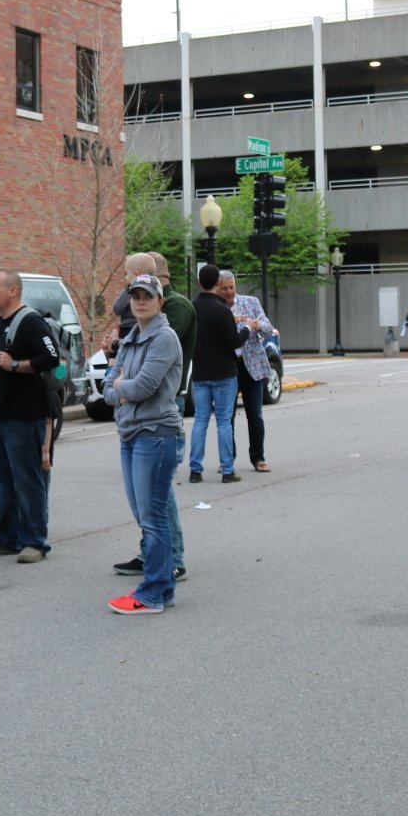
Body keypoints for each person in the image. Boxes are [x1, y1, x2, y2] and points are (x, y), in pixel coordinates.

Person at [102, 272, 185, 615]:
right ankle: (161, 588)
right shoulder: (132, 336)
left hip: (156, 435)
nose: (140, 301)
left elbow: (142, 388)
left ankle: (152, 593)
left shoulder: (164, 338)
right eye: (135, 295)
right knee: (146, 514)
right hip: (131, 433)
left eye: (147, 296)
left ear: (160, 301)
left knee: (152, 518)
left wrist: (121, 388)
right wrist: (121, 387)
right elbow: (109, 387)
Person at [0, 269, 63, 562]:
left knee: (27, 481)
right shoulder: (0, 323)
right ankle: (8, 536)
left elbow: (50, 357)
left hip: (24, 416)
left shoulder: (30, 321)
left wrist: (16, 365)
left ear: (13, 291)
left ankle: (35, 542)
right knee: (0, 481)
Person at [187, 262, 245, 484]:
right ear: (218, 284)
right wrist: (247, 328)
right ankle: (228, 469)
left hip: (201, 372)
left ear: (200, 282)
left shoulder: (193, 308)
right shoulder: (223, 310)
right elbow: (234, 341)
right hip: (224, 373)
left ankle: (195, 469)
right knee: (223, 421)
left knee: (200, 420)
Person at [218, 270, 275, 473]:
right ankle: (227, 459)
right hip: (228, 367)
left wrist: (256, 324)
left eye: (231, 287)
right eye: (224, 288)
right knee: (227, 416)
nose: (228, 292)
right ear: (217, 288)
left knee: (255, 414)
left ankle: (258, 458)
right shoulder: (216, 309)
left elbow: (268, 327)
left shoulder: (250, 303)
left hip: (252, 366)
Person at [149, 252, 196, 412]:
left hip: (169, 396)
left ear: (154, 274)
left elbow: (157, 345)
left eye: (140, 274)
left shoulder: (177, 305)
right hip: (151, 394)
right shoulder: (151, 305)